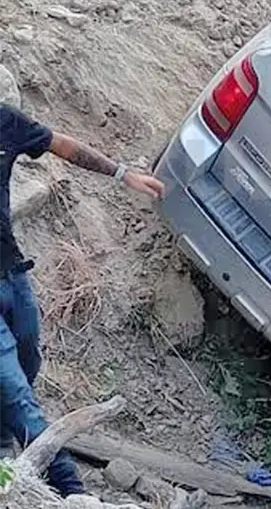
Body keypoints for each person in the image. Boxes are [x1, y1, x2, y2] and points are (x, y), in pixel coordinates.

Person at [0, 103, 164, 497]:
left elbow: (63, 145)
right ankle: (73, 491)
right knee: (19, 394)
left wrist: (123, 174)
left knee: (28, 360)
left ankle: (3, 439)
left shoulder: (5, 121)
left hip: (12, 275)